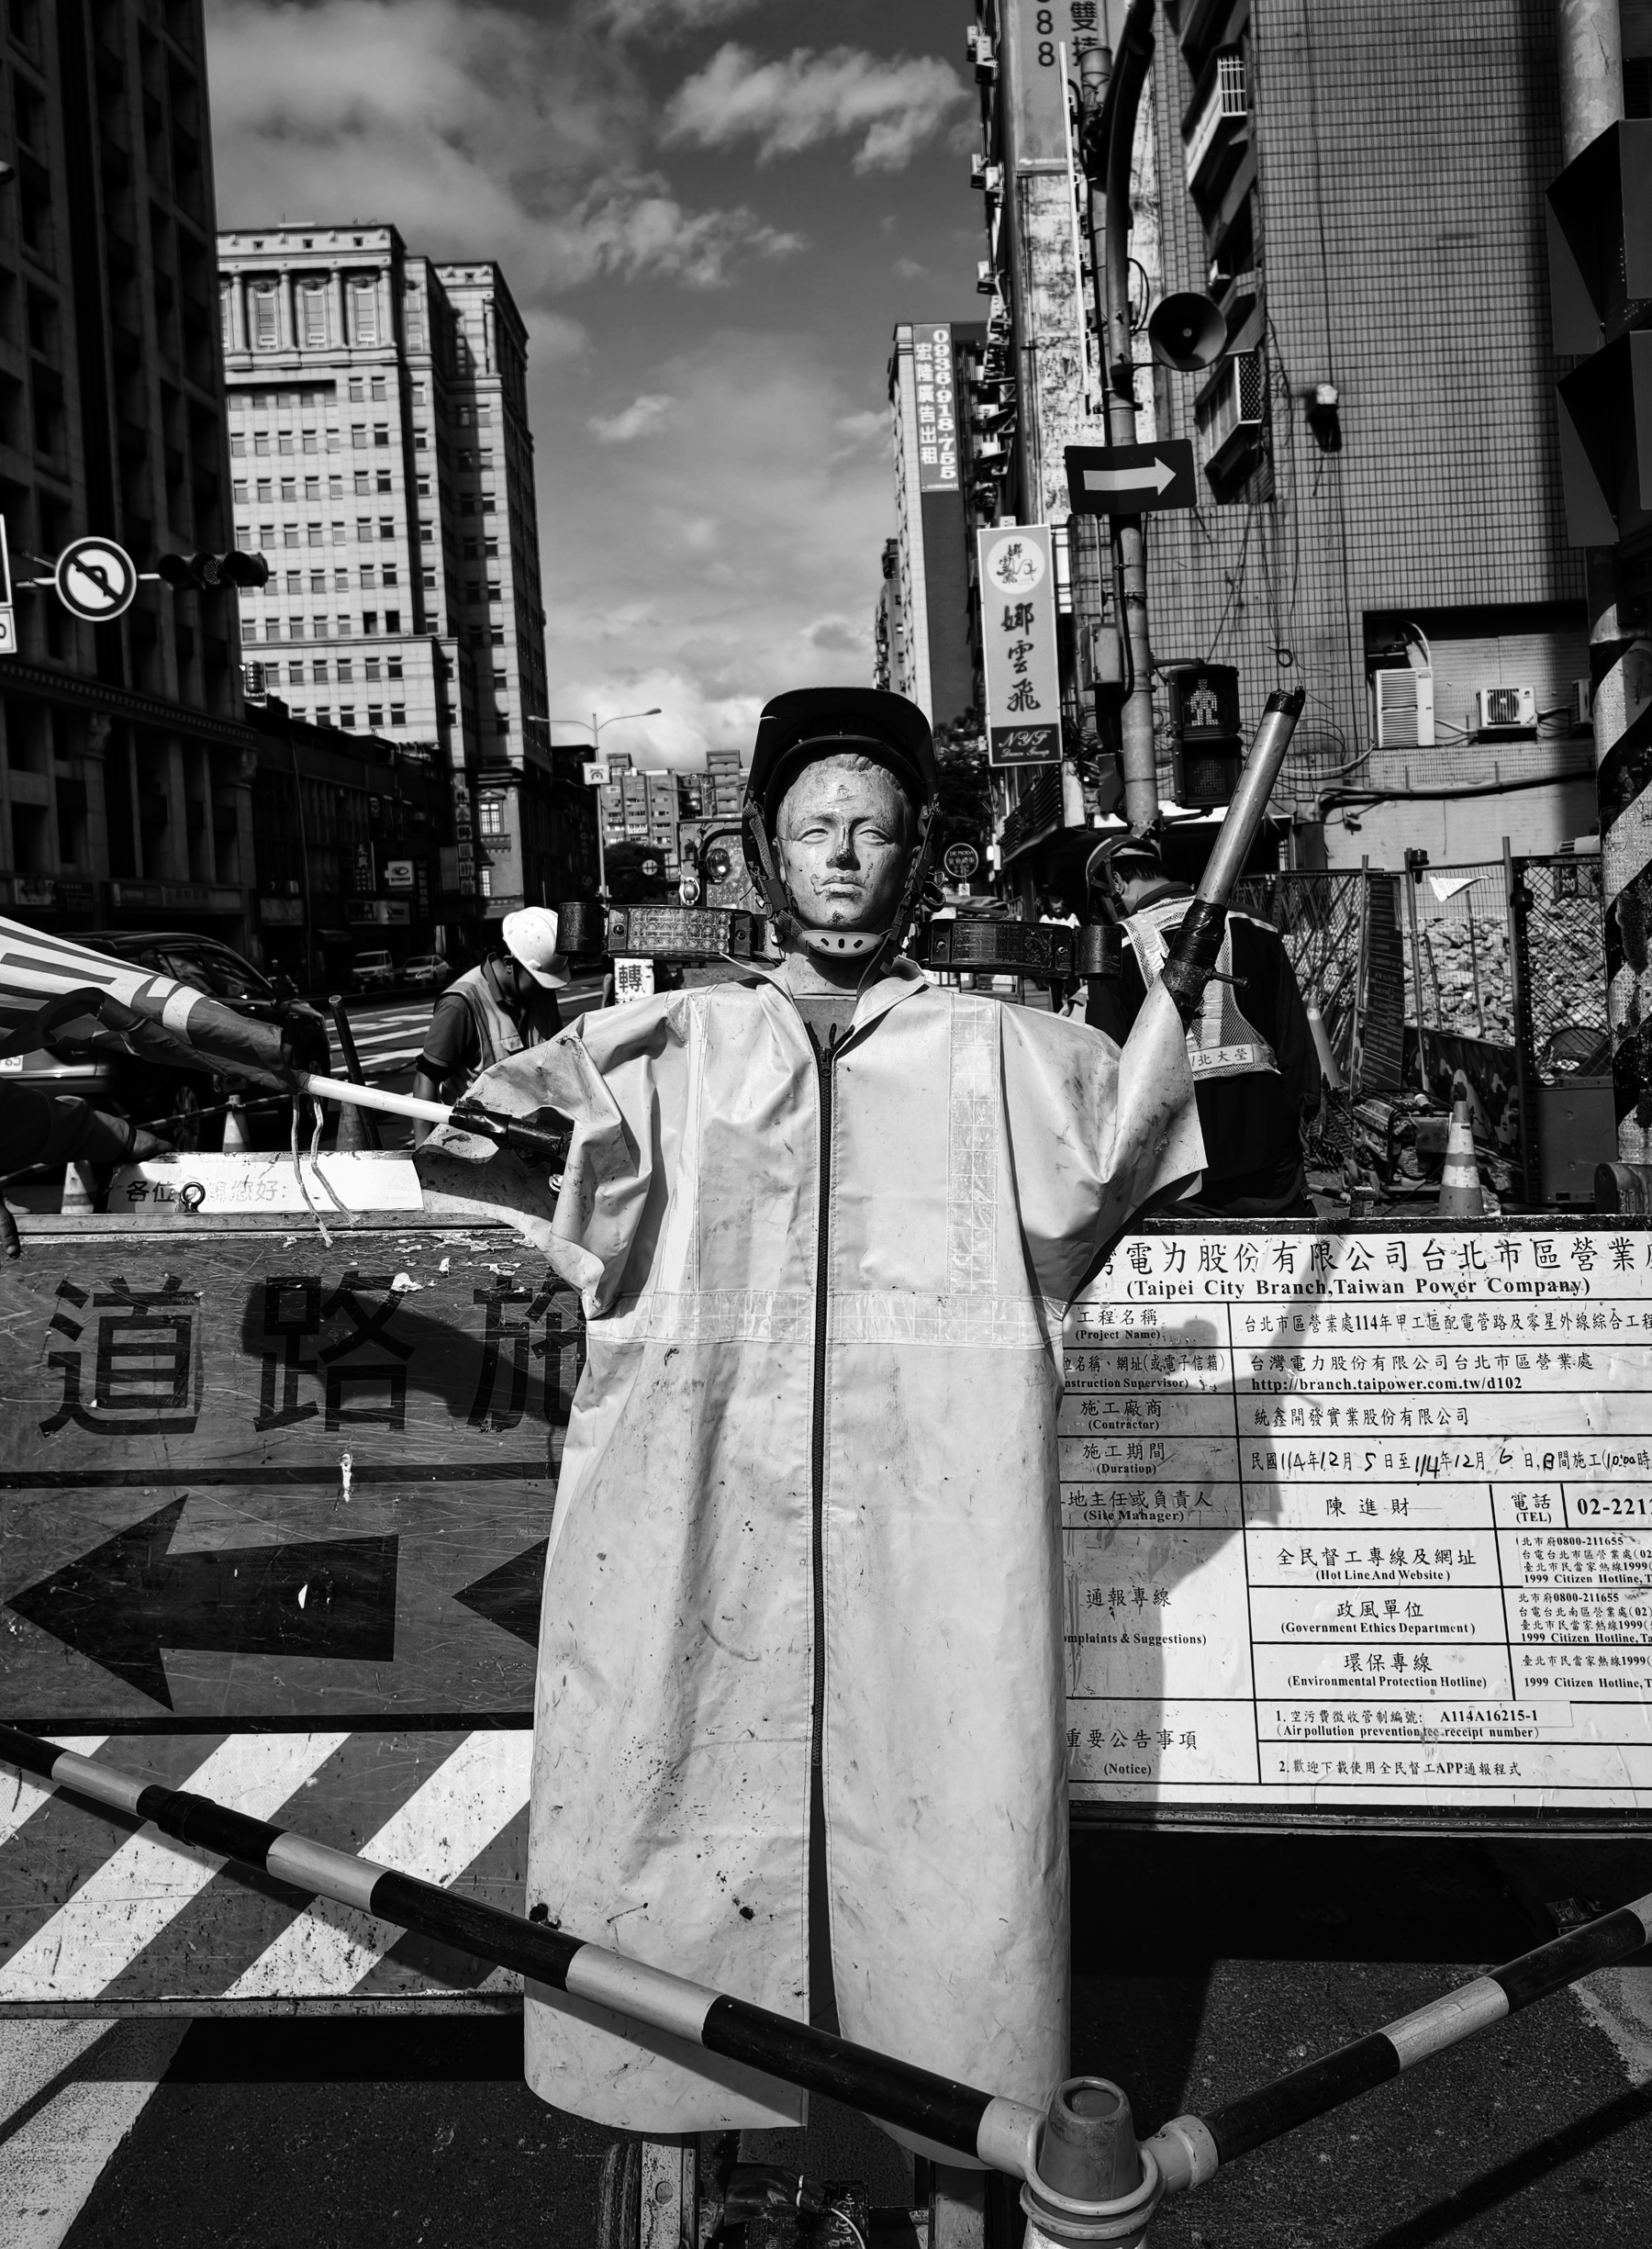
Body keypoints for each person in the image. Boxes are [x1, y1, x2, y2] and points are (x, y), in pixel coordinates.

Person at [417, 688, 1203, 2164]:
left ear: (923, 857)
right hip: (692, 1516)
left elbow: (1200, 1117)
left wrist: (1167, 927)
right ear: (764, 855)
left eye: (878, 829)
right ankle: (694, 2137)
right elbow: (474, 1140)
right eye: (814, 829)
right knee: (675, 1812)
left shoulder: (1015, 1059)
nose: (845, 858)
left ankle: (940, 2117)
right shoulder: (660, 1053)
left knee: (951, 1836)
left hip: (940, 1531)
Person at [1085, 828, 1321, 1216]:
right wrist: (1306, 1108)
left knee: (1191, 1270)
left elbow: (1106, 1063)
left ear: (1116, 882)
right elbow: (1292, 1032)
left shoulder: (1116, 948)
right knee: (1282, 1265)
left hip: (1173, 1162)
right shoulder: (1254, 924)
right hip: (1267, 1146)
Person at [409, 908, 569, 1106]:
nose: (545, 987)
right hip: (475, 1134)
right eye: (539, 979)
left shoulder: (541, 993)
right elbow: (427, 1078)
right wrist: (427, 1139)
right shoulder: (460, 1004)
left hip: (533, 1128)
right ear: (509, 964)